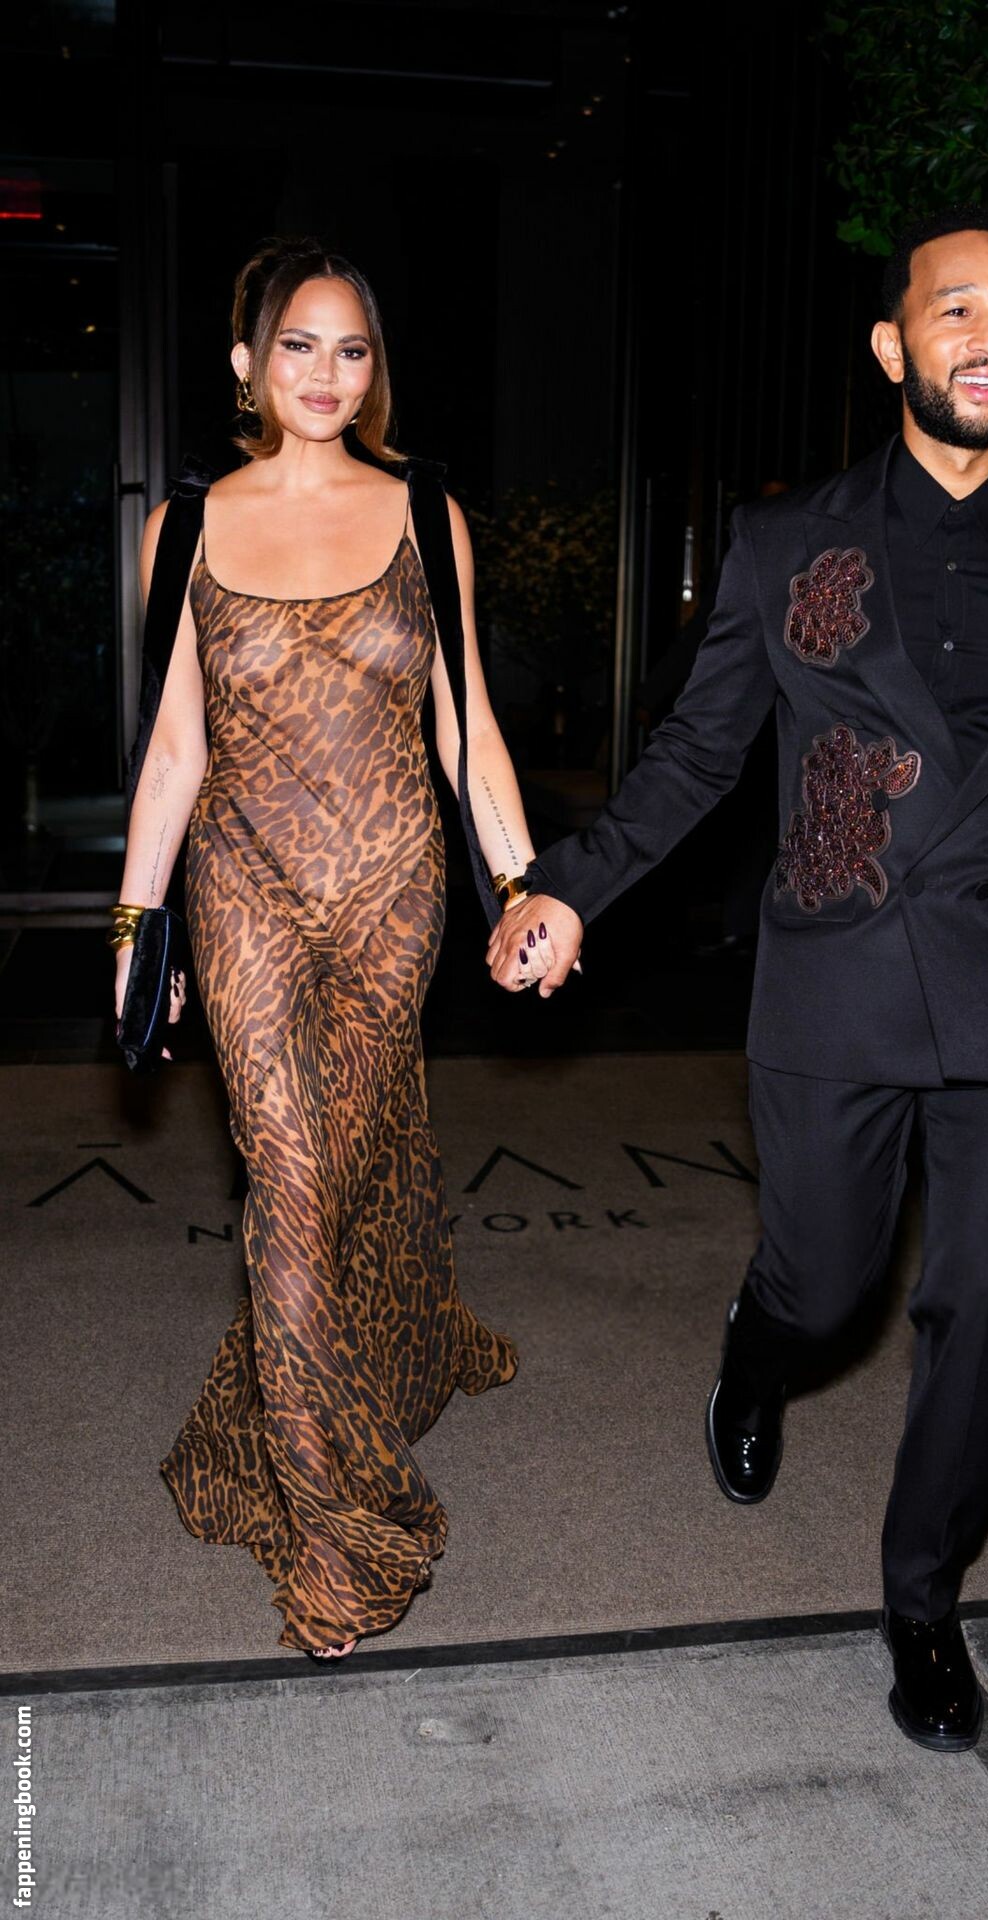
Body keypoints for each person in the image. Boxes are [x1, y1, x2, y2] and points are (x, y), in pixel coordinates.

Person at [488, 206, 988, 1750]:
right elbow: (702, 750)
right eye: (958, 309)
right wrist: (572, 887)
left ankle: (923, 1601)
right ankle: (757, 1344)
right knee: (829, 1286)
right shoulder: (793, 542)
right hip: (841, 973)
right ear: (891, 344)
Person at [113, 238, 556, 1659]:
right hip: (242, 888)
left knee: (332, 1186)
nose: (325, 374)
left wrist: (521, 885)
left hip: (389, 895)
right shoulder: (184, 528)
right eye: (298, 346)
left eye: (351, 349)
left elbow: (465, 725)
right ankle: (345, 1529)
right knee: (292, 1186)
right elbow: (174, 750)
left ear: (376, 370)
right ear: (247, 361)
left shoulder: (426, 512)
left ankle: (320, 1400)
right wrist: (136, 927)